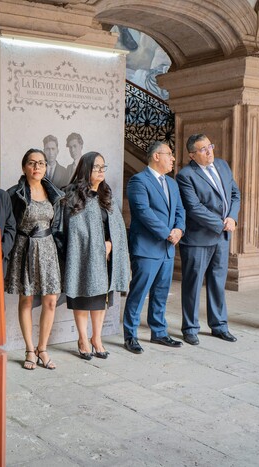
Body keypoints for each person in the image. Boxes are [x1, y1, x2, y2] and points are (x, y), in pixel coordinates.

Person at [61, 152, 129, 360]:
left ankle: (96, 338)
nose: (101, 171)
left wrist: (111, 245)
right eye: (96, 167)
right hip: (83, 256)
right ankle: (83, 338)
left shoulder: (107, 194)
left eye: (103, 167)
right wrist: (97, 246)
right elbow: (72, 230)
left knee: (102, 299)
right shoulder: (72, 195)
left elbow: (117, 226)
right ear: (85, 169)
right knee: (83, 298)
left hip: (106, 255)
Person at [176, 134, 240, 345]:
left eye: (210, 146)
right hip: (197, 239)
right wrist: (221, 223)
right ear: (192, 155)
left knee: (218, 282)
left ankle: (219, 325)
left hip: (222, 237)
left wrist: (232, 217)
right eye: (203, 149)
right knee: (193, 284)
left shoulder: (222, 165)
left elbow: (234, 194)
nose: (209, 151)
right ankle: (190, 328)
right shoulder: (185, 175)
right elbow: (194, 208)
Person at [123, 142, 185, 354]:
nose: (173, 159)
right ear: (156, 156)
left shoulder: (172, 183)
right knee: (139, 293)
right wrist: (167, 232)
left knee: (161, 292)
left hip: (168, 247)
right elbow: (143, 212)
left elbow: (180, 210)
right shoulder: (138, 181)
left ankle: (158, 332)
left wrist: (179, 229)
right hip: (147, 248)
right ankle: (130, 336)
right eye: (169, 154)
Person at [5, 149, 64, 370]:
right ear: (24, 167)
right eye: (32, 163)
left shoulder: (53, 193)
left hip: (48, 249)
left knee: (50, 300)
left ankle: (43, 348)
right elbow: (9, 225)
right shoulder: (15, 193)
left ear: (46, 167)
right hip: (25, 248)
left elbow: (57, 224)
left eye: (41, 163)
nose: (37, 167)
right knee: (27, 300)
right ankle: (30, 349)